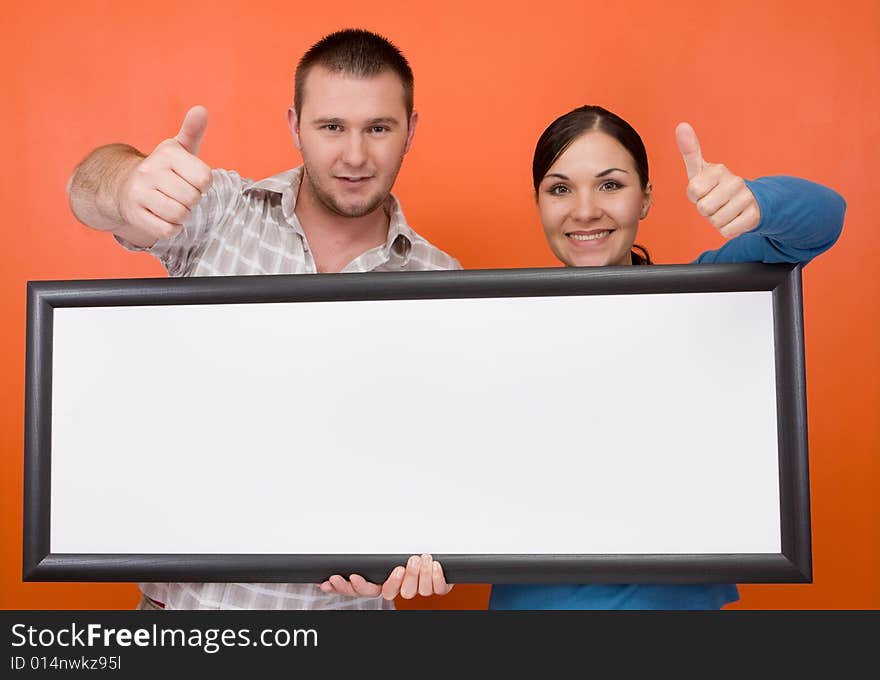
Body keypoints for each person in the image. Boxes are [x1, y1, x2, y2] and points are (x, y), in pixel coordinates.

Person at [67, 28, 458, 610]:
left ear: (411, 131)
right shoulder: (221, 211)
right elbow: (87, 188)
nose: (355, 155)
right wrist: (125, 185)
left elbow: (442, 470)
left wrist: (436, 554)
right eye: (331, 127)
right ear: (294, 125)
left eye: (378, 127)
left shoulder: (444, 285)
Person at [488, 105, 846, 610]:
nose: (585, 210)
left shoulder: (701, 303)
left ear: (646, 198)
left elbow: (825, 219)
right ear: (539, 203)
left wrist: (755, 200)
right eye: (560, 188)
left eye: (610, 185)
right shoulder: (494, 338)